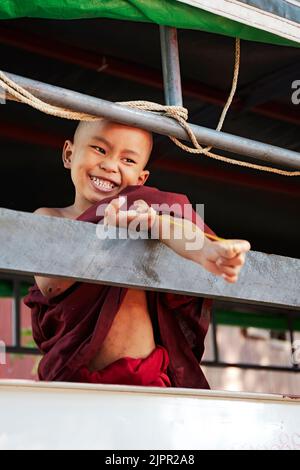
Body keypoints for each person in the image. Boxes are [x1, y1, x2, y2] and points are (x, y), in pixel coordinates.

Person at [24, 119, 250, 389]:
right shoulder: (51, 217)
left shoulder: (138, 210)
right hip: (74, 377)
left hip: (144, 380)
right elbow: (51, 285)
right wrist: (103, 240)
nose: (110, 165)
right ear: (69, 154)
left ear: (140, 179)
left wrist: (205, 249)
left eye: (128, 160)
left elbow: (170, 225)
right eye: (99, 149)